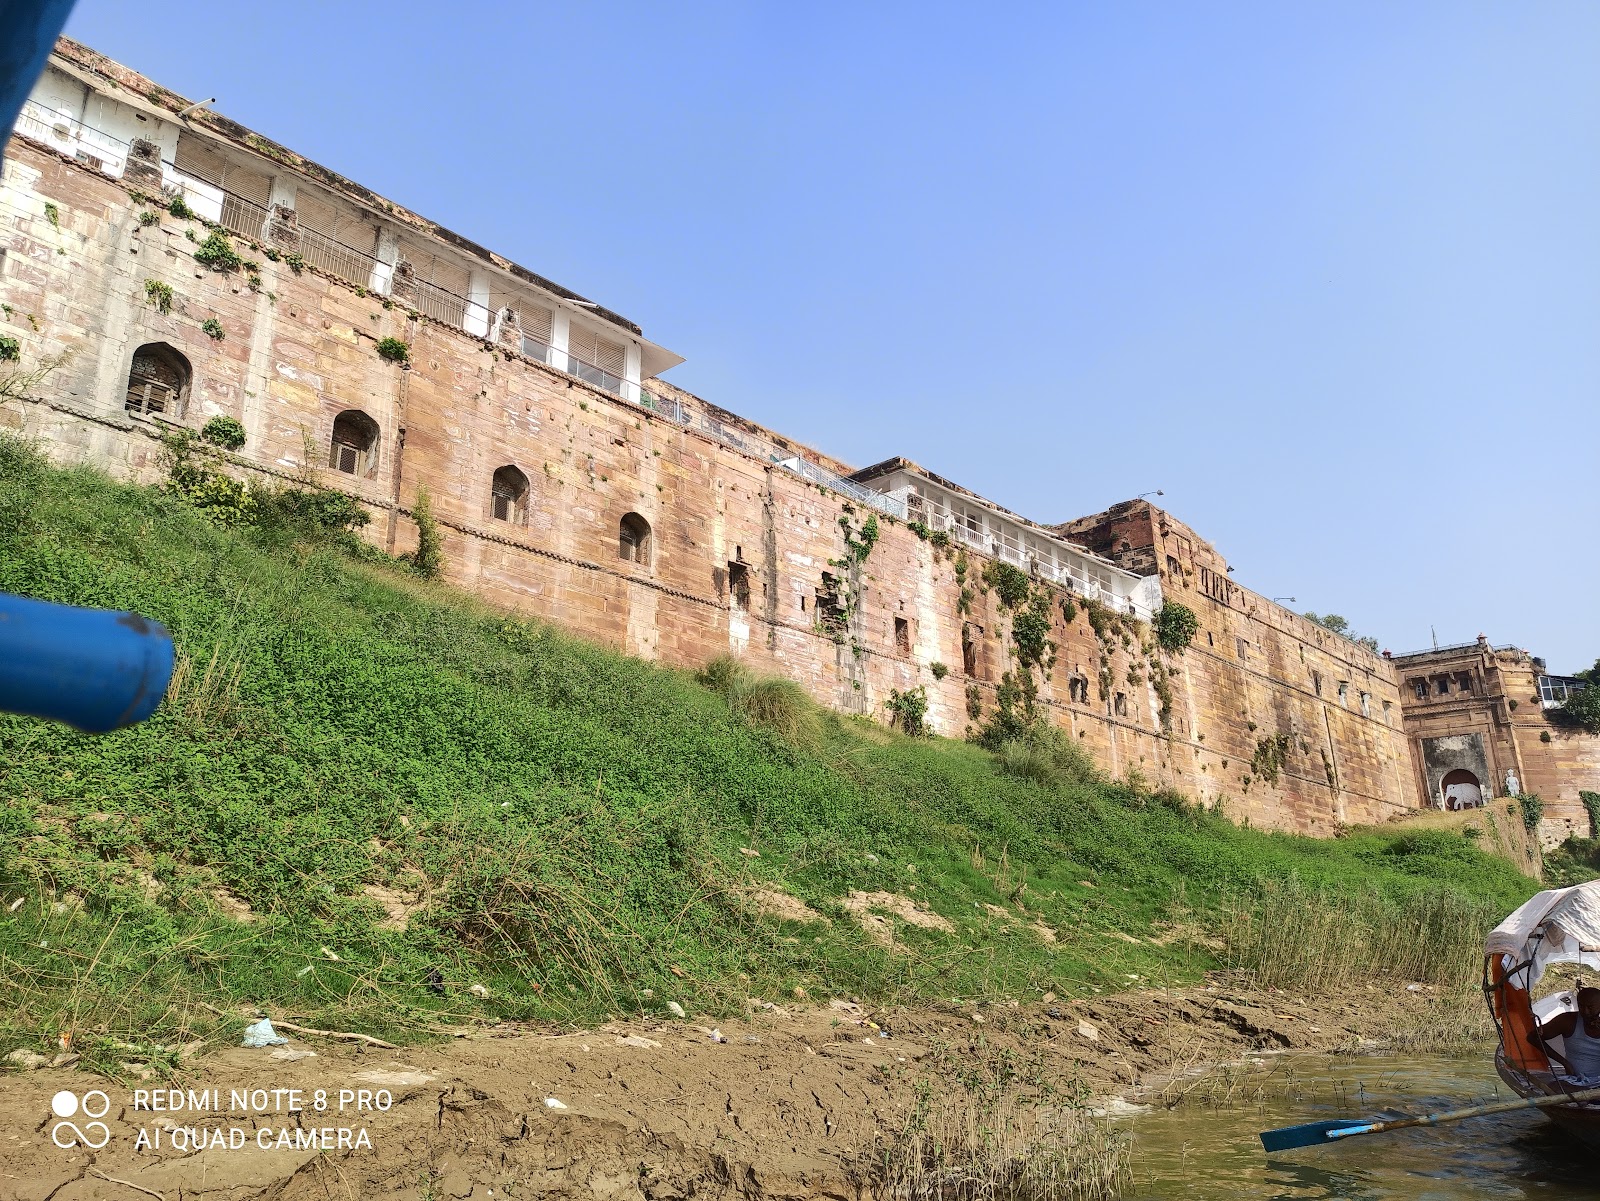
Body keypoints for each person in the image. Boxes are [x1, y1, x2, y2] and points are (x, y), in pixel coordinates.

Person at [1535, 986, 1600, 1082]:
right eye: (1581, 1006)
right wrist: (1565, 1063)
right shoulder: (1568, 1020)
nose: (1585, 1011)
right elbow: (1533, 1037)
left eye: (1590, 1007)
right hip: (1576, 1081)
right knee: (1554, 1087)